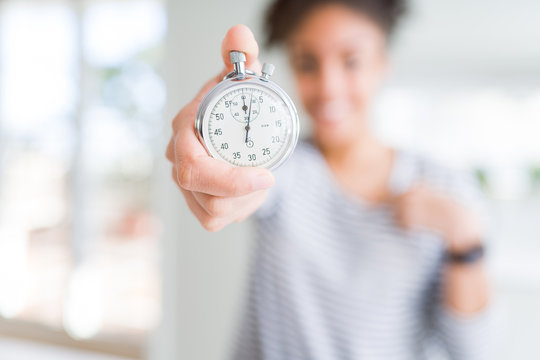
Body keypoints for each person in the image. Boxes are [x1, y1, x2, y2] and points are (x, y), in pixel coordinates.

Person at [166, 0, 491, 358]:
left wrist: (465, 242)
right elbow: (250, 187)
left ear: (383, 64)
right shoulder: (283, 167)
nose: (329, 87)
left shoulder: (446, 186)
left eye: (351, 61)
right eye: (308, 64)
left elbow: (474, 350)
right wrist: (212, 143)